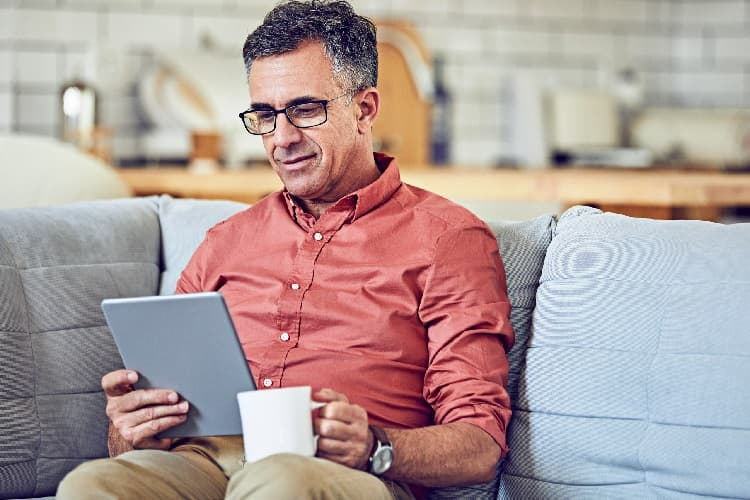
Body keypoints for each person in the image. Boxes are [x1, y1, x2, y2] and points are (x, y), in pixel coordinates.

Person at [58, 1, 514, 498]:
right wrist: (131, 431)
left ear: (364, 109)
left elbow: (479, 443)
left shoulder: (449, 239)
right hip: (206, 462)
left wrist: (373, 445)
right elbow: (148, 432)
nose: (282, 139)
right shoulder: (226, 240)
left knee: (278, 482)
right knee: (92, 484)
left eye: (304, 110)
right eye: (265, 115)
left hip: (339, 473)